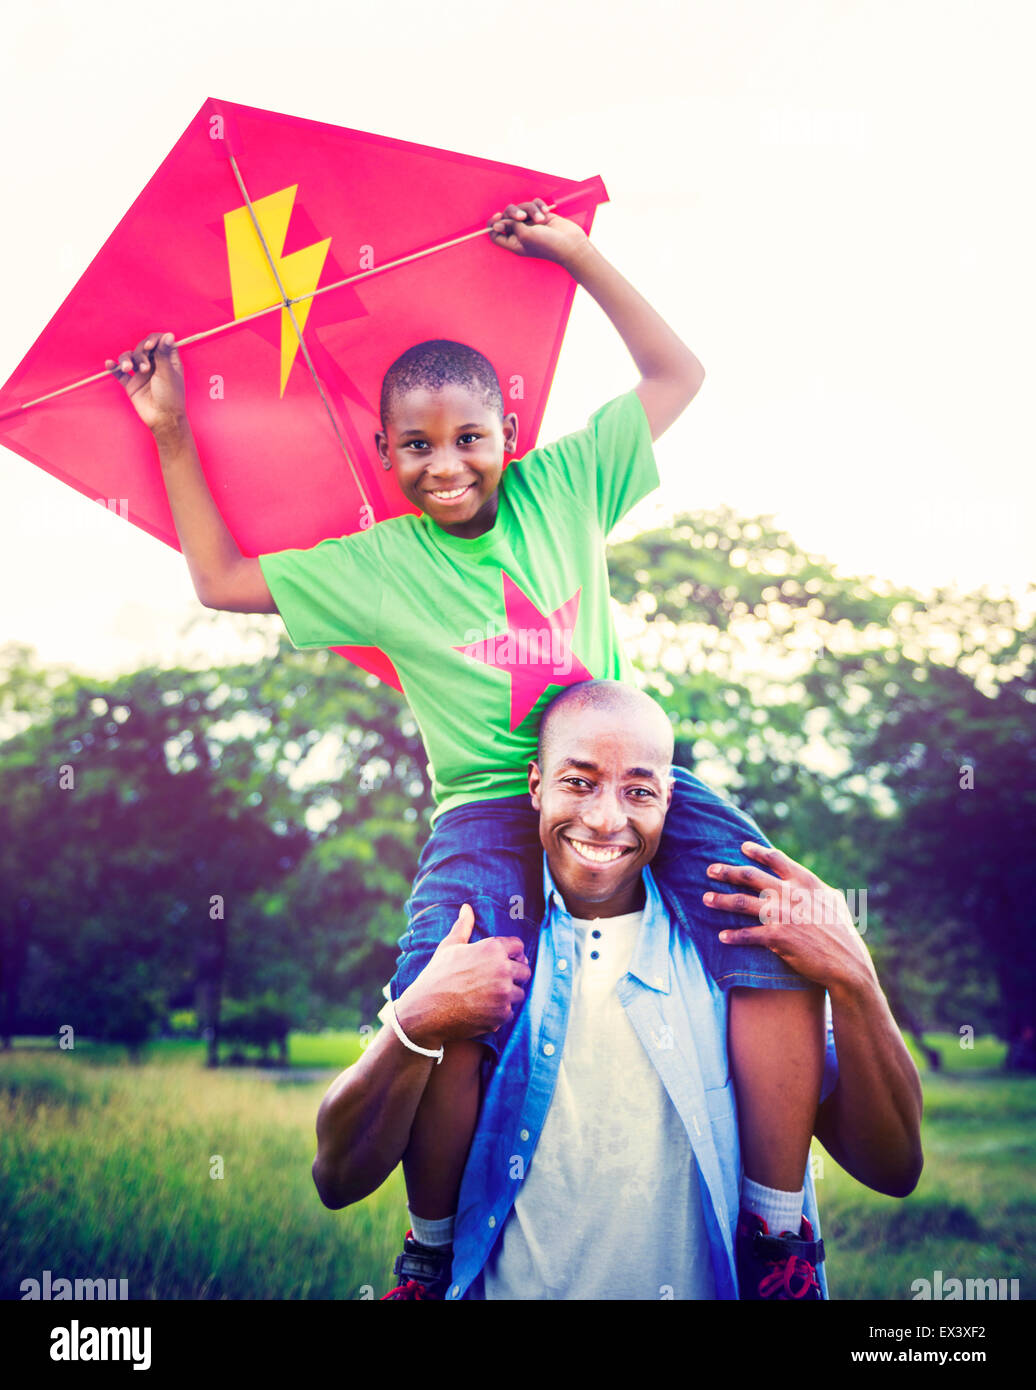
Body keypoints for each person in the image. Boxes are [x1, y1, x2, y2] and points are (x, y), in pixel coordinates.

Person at [106, 196, 825, 1300]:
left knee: (772, 919)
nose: (446, 464)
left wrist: (578, 255)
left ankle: (777, 1232)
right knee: (454, 999)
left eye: (469, 439)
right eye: (416, 445)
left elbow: (677, 376)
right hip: (490, 806)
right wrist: (167, 429)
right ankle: (431, 1249)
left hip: (626, 781)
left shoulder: (569, 484)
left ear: (509, 437)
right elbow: (220, 581)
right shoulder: (378, 562)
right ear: (384, 452)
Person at [311, 680, 924, 1299]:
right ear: (535, 785)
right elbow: (337, 1178)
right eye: (578, 782)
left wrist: (855, 976)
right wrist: (416, 1022)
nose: (606, 819)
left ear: (669, 800)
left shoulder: (736, 959)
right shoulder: (470, 954)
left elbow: (894, 1167)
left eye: (638, 791)